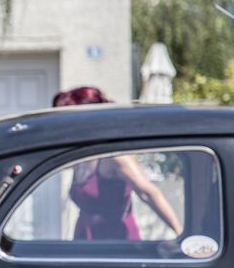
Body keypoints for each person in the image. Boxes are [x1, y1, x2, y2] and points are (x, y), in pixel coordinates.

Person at [53, 86, 183, 240]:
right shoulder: (82, 155)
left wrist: (181, 234)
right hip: (85, 238)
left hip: (114, 241)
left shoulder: (114, 156)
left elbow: (147, 193)